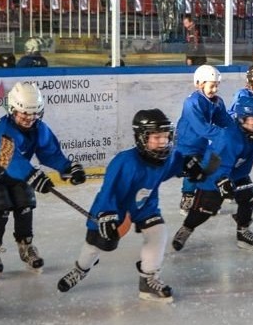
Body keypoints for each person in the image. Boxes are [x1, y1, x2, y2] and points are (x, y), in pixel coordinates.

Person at [55, 109, 214, 302]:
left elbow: (177, 164)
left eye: (165, 137)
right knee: (97, 244)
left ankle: (148, 280)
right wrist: (106, 214)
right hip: (114, 208)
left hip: (145, 205)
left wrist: (190, 167)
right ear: (141, 137)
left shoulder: (168, 157)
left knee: (158, 232)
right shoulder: (125, 161)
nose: (163, 142)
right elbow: (109, 191)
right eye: (157, 137)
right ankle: (81, 268)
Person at [0, 82, 86, 277]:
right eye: (24, 113)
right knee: (0, 211)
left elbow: (50, 152)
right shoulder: (1, 130)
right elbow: (10, 159)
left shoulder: (39, 128)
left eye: (34, 113)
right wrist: (32, 175)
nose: (29, 118)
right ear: (12, 110)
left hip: (18, 174)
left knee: (25, 206)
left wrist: (67, 168)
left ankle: (26, 246)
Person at [172, 96, 253, 253]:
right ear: (241, 119)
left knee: (249, 197)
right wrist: (221, 181)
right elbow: (217, 164)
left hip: (238, 175)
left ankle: (242, 230)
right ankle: (187, 228)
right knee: (205, 209)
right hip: (213, 176)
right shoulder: (228, 137)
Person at [176, 64, 231, 214]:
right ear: (199, 84)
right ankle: (187, 197)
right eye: (212, 86)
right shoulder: (192, 102)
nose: (215, 89)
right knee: (193, 170)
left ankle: (205, 199)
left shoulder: (217, 101)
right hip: (186, 144)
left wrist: (235, 131)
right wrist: (223, 134)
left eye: (217, 86)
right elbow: (202, 127)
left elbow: (224, 120)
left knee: (210, 169)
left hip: (203, 143)